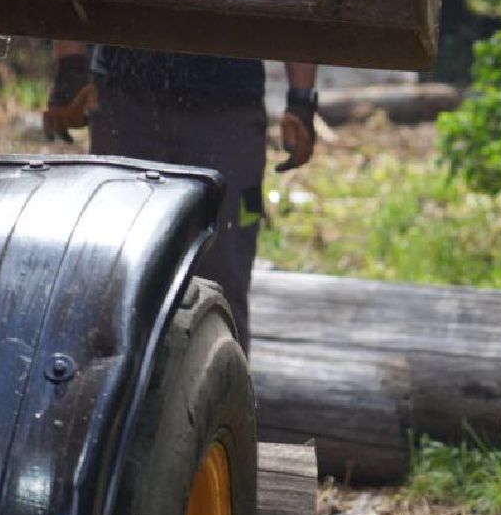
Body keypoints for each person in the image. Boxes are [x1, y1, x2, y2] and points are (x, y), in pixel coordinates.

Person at [44, 42, 317, 343]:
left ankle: (222, 383)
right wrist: (69, 65)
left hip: (232, 111)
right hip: (125, 102)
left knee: (227, 271)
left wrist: (302, 99)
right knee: (117, 275)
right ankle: (120, 387)